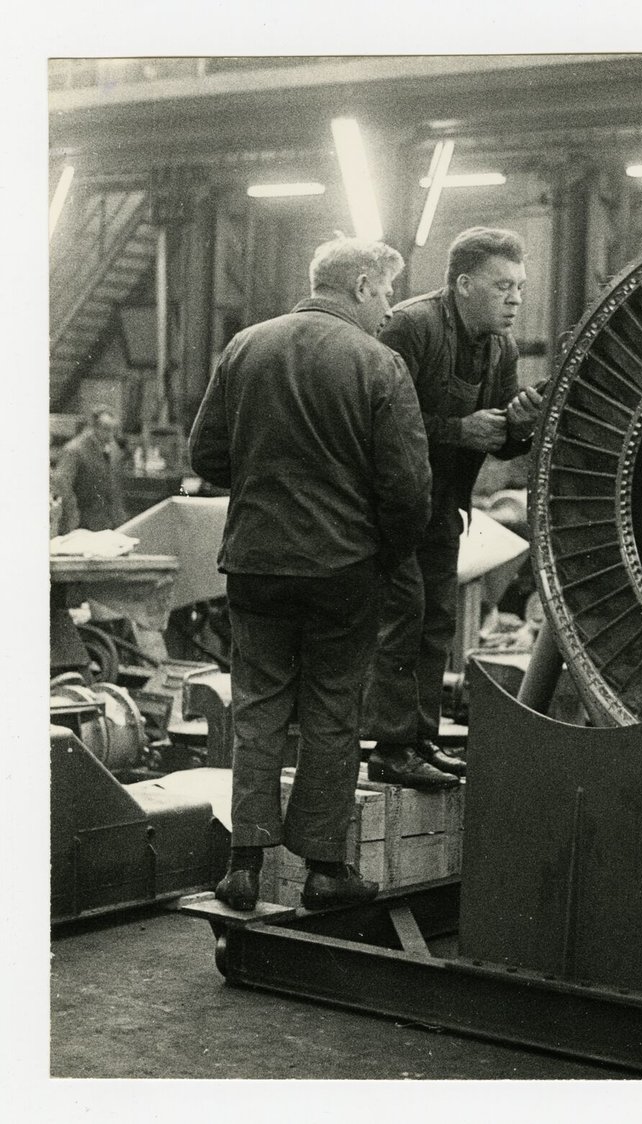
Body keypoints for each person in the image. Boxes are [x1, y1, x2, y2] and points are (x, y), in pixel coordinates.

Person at [189, 237, 432, 911]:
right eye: (384, 293)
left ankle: (243, 865)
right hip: (341, 569)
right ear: (359, 286)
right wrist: (384, 554)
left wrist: (269, 482)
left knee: (258, 706)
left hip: (255, 564)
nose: (388, 309)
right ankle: (325, 871)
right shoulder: (379, 364)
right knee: (331, 710)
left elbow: (206, 451)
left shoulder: (246, 347)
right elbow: (408, 489)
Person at [362, 226, 544, 789]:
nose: (515, 299)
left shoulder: (501, 348)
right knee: (406, 616)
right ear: (464, 285)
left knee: (437, 621)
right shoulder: (410, 327)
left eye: (519, 287)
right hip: (389, 509)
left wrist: (519, 426)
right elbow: (375, 423)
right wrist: (458, 430)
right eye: (502, 286)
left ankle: (419, 739)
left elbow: (498, 441)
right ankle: (391, 746)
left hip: (442, 506)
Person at [53, 406, 126, 530]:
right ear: (93, 427)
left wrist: (119, 518)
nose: (111, 435)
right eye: (106, 429)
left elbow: (115, 486)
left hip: (110, 522)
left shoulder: (114, 449)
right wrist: (73, 516)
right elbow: (61, 483)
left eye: (114, 430)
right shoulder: (74, 450)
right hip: (82, 524)